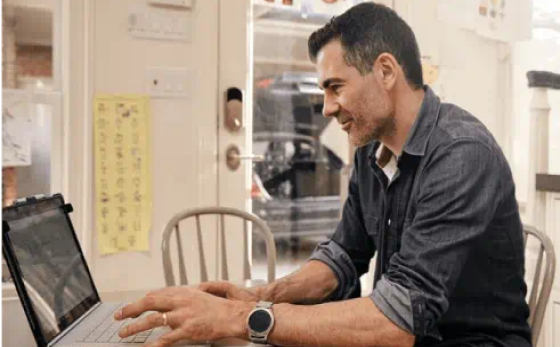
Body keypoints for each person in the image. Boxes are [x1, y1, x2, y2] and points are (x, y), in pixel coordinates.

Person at [114, 3, 532, 347]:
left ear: (385, 72)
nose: (327, 108)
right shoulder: (373, 150)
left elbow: (397, 320)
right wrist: (261, 296)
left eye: (335, 87)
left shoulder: (461, 155)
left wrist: (245, 317)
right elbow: (343, 256)